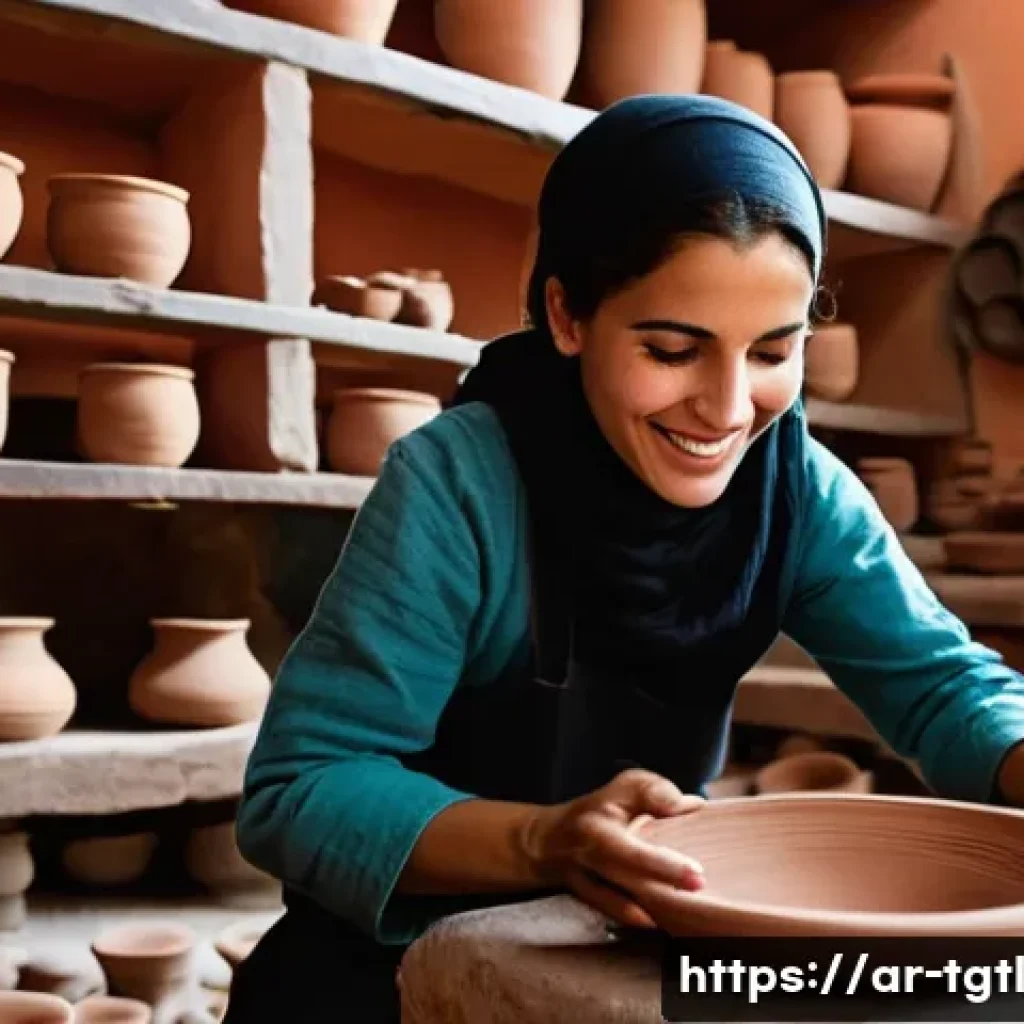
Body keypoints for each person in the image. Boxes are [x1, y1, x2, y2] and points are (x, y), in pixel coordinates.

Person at [222, 95, 1024, 1022]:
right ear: (567, 314)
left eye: (773, 351)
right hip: (383, 964)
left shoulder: (796, 488)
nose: (727, 410)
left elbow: (944, 689)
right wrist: (539, 840)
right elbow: (300, 788)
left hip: (635, 929)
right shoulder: (460, 484)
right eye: (674, 349)